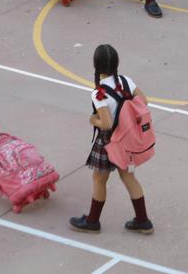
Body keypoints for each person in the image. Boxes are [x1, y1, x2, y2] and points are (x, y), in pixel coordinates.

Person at [70, 44, 154, 234]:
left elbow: (106, 123)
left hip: (109, 141)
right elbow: (144, 101)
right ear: (117, 63)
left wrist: (93, 119)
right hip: (127, 138)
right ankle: (143, 220)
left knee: (99, 178)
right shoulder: (126, 81)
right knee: (128, 177)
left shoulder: (99, 93)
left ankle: (92, 221)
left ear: (96, 65)